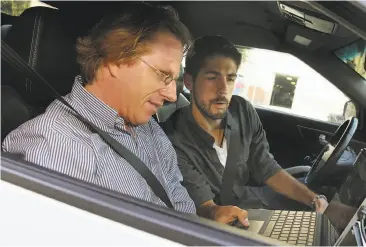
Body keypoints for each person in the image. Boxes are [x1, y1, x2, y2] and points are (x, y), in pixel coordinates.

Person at [2, 4, 196, 214]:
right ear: (115, 59)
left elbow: (182, 206)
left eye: (174, 80)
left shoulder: (149, 128)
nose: (172, 95)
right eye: (163, 75)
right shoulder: (56, 146)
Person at [162, 35, 328, 226]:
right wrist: (216, 213)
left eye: (230, 79)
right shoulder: (173, 139)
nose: (223, 89)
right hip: (223, 224)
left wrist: (313, 199)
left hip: (252, 202)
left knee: (333, 214)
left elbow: (265, 166)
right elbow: (205, 206)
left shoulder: (242, 111)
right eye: (212, 77)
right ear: (189, 82)